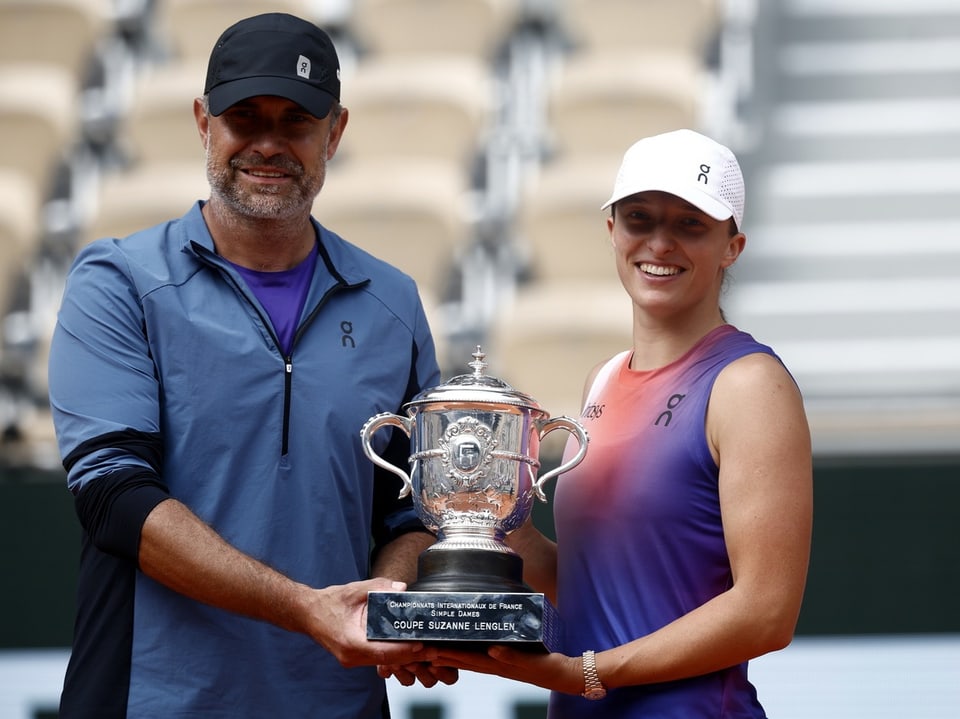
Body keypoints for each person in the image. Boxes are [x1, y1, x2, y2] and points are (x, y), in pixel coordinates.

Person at [47, 12, 454, 719]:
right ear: (204, 122)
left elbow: (412, 511)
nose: (268, 144)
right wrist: (305, 609)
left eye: (295, 121)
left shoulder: (393, 302)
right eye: (244, 118)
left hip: (337, 701)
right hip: (152, 702)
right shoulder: (117, 282)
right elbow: (115, 498)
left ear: (336, 131)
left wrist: (388, 604)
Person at [417, 129, 814, 717]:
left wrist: (588, 674)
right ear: (611, 232)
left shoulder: (750, 384)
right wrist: (485, 516)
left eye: (690, 225)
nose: (659, 242)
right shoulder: (600, 381)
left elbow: (766, 612)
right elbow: (585, 583)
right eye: (639, 219)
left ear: (733, 246)